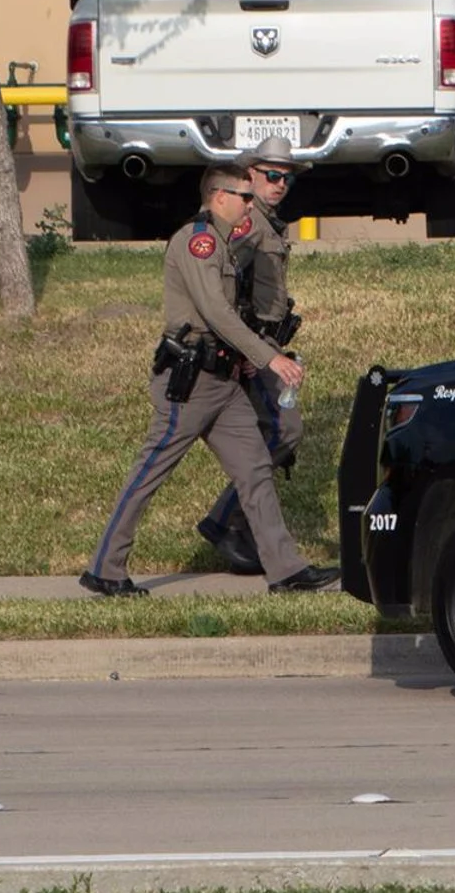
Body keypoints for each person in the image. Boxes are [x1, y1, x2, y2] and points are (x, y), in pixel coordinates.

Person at [81, 162, 339, 597]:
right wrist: (268, 358)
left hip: (222, 383)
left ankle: (285, 570)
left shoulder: (226, 243)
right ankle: (105, 568)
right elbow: (216, 312)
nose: (250, 202)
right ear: (220, 196)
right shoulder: (198, 242)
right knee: (149, 474)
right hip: (190, 384)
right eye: (243, 196)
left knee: (256, 469)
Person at [195, 135, 310, 574]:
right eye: (271, 175)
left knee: (272, 433)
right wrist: (247, 347)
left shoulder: (268, 222)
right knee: (283, 429)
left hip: (266, 342)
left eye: (286, 177)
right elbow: (226, 287)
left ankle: (239, 524)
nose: (280, 184)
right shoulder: (246, 226)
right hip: (252, 346)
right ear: (250, 176)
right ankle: (224, 521)